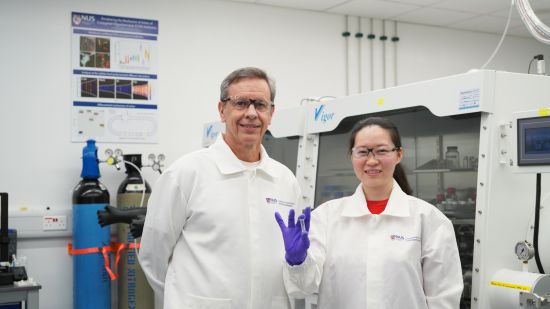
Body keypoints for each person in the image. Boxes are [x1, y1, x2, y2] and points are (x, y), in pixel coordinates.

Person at [140, 67, 303, 309]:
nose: (251, 113)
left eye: (260, 104)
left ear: (271, 113)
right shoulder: (185, 173)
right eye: (241, 103)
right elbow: (153, 257)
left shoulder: (285, 180)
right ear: (222, 110)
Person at [275, 117, 463, 308]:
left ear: (398, 155)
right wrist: (298, 261)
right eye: (362, 152)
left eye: (381, 151)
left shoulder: (430, 221)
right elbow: (303, 288)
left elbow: (444, 298)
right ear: (352, 157)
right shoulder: (325, 217)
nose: (372, 161)